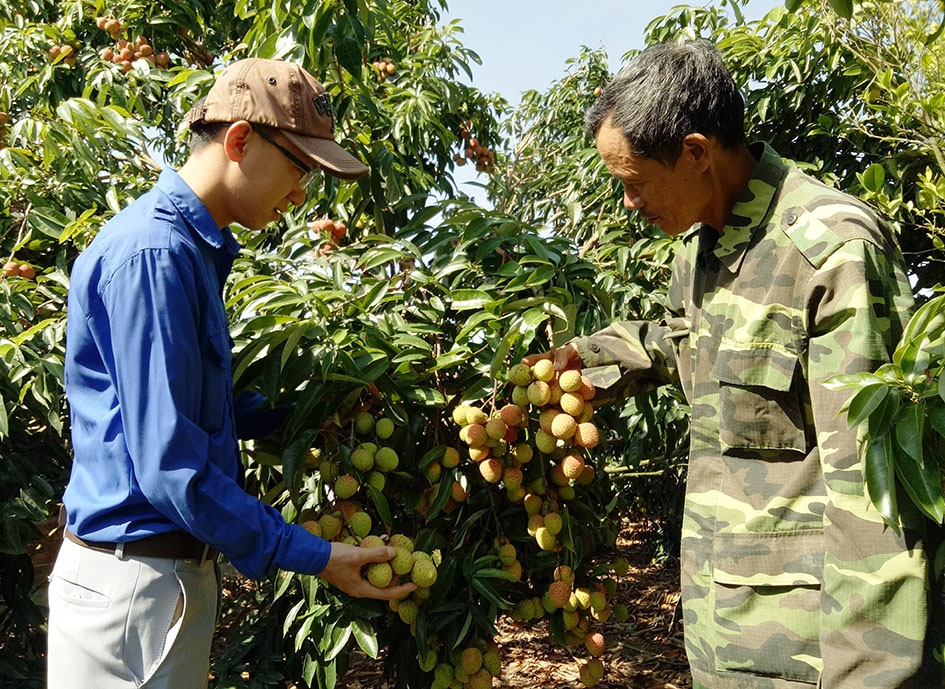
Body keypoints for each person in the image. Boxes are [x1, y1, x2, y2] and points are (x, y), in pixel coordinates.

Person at [529, 41, 943, 688]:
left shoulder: (830, 253)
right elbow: (685, 340)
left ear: (695, 152)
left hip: (811, 658)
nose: (628, 205)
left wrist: (873, 675)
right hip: (726, 641)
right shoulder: (700, 248)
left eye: (634, 183)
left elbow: (877, 495)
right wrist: (588, 361)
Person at [48, 58, 415, 689]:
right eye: (299, 168)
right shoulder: (155, 256)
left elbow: (199, 407)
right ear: (241, 141)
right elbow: (170, 467)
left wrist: (315, 409)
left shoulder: (189, 251)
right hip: (135, 586)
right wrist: (316, 556)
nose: (301, 195)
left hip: (159, 579)